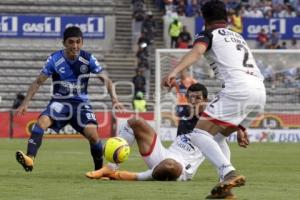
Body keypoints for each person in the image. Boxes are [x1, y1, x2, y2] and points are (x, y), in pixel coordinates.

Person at [162, 0, 266, 198]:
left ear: (205, 19)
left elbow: (197, 52)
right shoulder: (238, 37)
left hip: (238, 89)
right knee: (217, 137)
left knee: (198, 135)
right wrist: (241, 127)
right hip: (259, 92)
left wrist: (174, 72)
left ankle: (228, 172)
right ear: (226, 18)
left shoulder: (207, 33)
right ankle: (224, 189)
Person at [86, 83, 249, 199]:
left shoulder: (211, 121)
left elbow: (223, 135)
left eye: (198, 98)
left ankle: (121, 176)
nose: (193, 101)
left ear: (206, 100)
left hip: (182, 167)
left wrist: (240, 129)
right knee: (135, 122)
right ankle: (111, 167)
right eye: (190, 98)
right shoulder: (187, 112)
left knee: (169, 165)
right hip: (165, 153)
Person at [15, 26, 124, 172]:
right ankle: (30, 158)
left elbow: (107, 80)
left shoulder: (88, 58)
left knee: (93, 136)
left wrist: (114, 99)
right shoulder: (54, 59)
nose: (75, 46)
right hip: (60, 102)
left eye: (78, 42)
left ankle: (99, 170)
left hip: (81, 104)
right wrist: (25, 103)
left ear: (82, 42)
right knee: (41, 123)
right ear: (64, 43)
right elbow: (38, 82)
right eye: (71, 42)